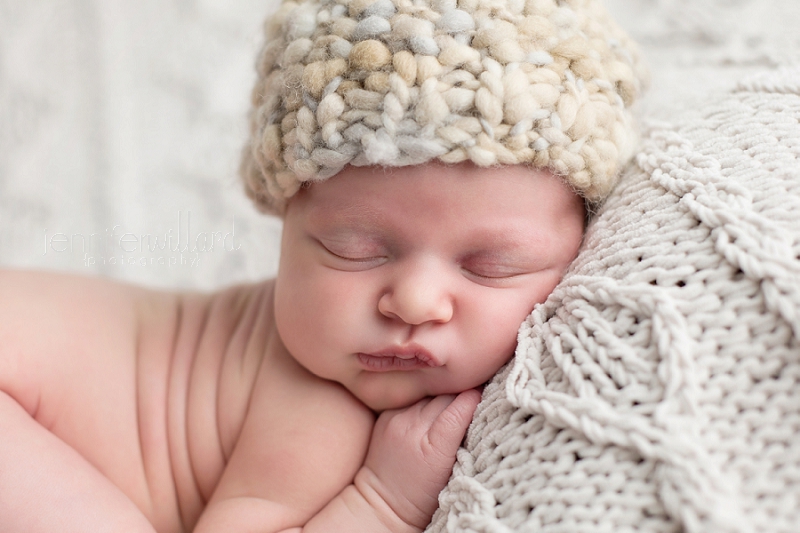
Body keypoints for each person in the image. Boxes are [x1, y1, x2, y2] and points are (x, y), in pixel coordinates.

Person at [0, 0, 645, 531]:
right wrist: (382, 504)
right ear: (285, 225)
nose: (416, 302)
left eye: (491, 265)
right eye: (353, 251)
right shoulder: (316, 403)